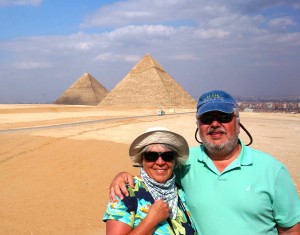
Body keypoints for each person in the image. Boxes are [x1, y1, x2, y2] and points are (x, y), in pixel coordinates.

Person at [109, 90, 300, 235]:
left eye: (224, 117)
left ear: (238, 123)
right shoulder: (185, 162)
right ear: (198, 125)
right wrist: (122, 177)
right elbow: (154, 174)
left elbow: (291, 229)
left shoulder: (272, 170)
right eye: (207, 118)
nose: (215, 124)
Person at [103, 127, 197, 234]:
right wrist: (151, 221)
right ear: (141, 159)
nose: (160, 162)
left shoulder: (181, 192)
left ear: (175, 160)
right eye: (151, 156)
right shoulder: (126, 192)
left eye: (167, 156)